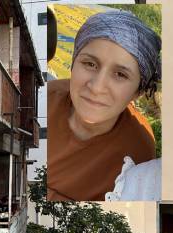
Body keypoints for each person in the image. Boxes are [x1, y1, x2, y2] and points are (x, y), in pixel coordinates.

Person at [47, 10, 161, 201]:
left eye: (120, 74)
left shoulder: (139, 152)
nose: (97, 87)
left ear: (137, 92)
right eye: (90, 64)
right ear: (73, 64)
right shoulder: (43, 99)